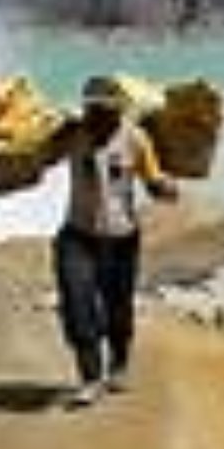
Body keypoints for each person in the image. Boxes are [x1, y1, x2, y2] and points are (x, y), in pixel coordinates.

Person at [45, 76, 178, 409]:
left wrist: (164, 188)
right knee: (77, 306)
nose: (100, 118)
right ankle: (90, 378)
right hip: (77, 236)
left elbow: (152, 178)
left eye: (108, 111)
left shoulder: (135, 139)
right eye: (94, 110)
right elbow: (38, 159)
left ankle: (118, 365)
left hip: (121, 241)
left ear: (120, 111)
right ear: (86, 109)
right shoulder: (73, 135)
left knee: (118, 309)